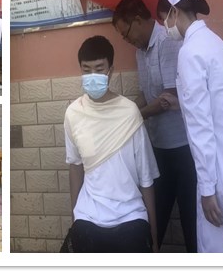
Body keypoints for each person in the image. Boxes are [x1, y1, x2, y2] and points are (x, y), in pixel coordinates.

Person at [112, 0, 197, 252]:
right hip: (158, 148)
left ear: (138, 20)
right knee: (154, 219)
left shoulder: (167, 42)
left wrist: (134, 117)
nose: (127, 40)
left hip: (183, 149)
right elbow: (146, 95)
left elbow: (167, 98)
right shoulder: (141, 51)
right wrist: (123, 110)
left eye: (126, 34)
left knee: (191, 222)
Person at [61, 36, 159, 253]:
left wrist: (153, 234)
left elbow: (146, 176)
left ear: (111, 71)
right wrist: (75, 217)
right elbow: (75, 167)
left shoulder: (129, 112)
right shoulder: (73, 113)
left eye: (99, 69)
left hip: (131, 214)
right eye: (86, 70)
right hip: (88, 215)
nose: (92, 76)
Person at [156, 0, 223, 253]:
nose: (165, 27)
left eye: (164, 19)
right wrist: (181, 104)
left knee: (219, 245)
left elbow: (201, 127)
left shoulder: (190, 53)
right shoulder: (214, 43)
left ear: (174, 12)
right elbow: (214, 101)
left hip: (218, 171)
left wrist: (207, 189)